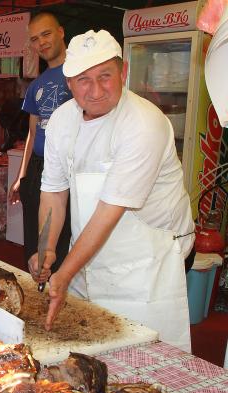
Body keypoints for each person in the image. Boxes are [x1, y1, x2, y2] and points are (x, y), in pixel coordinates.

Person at [29, 30, 195, 351]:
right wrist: (46, 246)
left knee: (142, 352)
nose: (95, 91)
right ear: (68, 82)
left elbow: (110, 210)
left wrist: (63, 273)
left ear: (124, 71)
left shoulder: (143, 123)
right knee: (85, 347)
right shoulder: (63, 119)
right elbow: (53, 191)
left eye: (105, 76)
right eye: (83, 80)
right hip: (88, 251)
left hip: (146, 258)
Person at [9, 12, 73, 272]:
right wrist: (21, 175)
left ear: (61, 32)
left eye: (46, 34)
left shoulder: (79, 75)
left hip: (68, 169)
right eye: (35, 39)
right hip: (37, 167)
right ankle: (38, 296)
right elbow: (32, 133)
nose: (41, 43)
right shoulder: (37, 84)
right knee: (34, 243)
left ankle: (59, 296)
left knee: (62, 242)